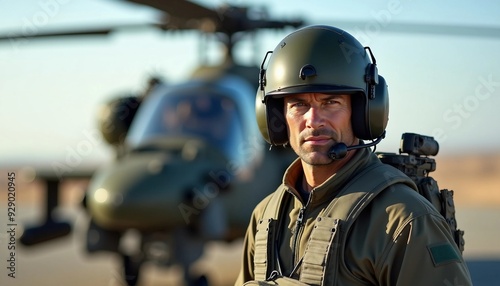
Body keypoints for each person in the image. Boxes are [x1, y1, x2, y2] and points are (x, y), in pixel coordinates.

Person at [235, 25, 472, 285]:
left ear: (363, 113)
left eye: (331, 103)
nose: (313, 120)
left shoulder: (403, 219)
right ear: (276, 118)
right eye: (298, 105)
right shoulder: (265, 216)